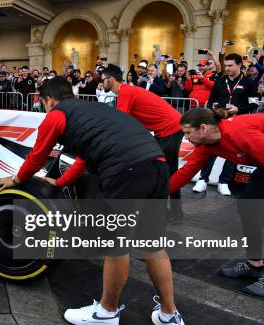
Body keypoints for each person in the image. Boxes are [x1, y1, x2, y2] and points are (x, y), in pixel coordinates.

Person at [0, 77, 188, 325]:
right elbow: (86, 159)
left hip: (126, 171)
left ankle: (107, 312)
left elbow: (38, 154)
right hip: (156, 166)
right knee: (152, 245)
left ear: (48, 100)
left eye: (43, 102)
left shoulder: (57, 114)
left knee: (115, 245)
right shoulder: (95, 110)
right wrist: (61, 181)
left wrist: (16, 180)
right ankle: (169, 314)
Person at [169, 107, 264, 296]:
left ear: (203, 128)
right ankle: (255, 265)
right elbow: (185, 172)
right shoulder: (207, 146)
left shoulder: (238, 133)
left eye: (188, 132)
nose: (186, 138)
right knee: (248, 207)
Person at [102, 64, 184, 220]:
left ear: (111, 80)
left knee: (164, 171)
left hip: (170, 129)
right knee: (161, 170)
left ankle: (173, 212)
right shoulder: (126, 92)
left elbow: (120, 123)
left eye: (103, 79)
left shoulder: (125, 92)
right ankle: (170, 211)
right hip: (166, 130)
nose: (101, 82)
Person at [195, 53, 259, 195]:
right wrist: (214, 107)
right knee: (211, 149)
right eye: (226, 65)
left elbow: (254, 104)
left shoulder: (249, 82)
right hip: (219, 121)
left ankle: (223, 182)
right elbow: (211, 100)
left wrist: (239, 109)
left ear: (240, 65)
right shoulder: (221, 80)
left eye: (230, 66)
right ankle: (203, 179)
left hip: (238, 123)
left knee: (233, 153)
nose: (227, 68)